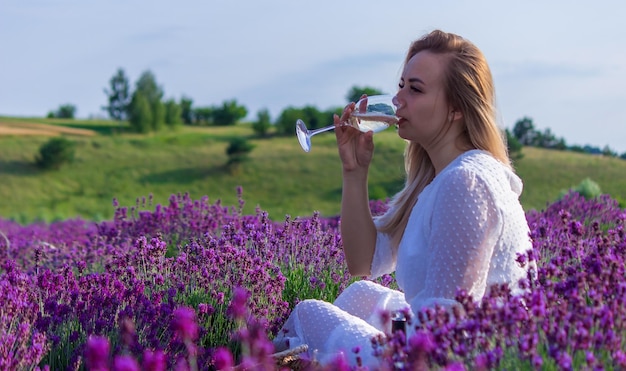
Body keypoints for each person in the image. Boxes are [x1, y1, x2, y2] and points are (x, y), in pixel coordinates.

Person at [273, 29, 533, 368]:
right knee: (360, 296)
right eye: (401, 85)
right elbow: (363, 262)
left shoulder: (465, 183)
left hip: (473, 358)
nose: (397, 100)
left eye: (416, 89)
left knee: (310, 313)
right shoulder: (441, 178)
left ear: (456, 108)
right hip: (460, 342)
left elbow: (445, 338)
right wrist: (354, 172)